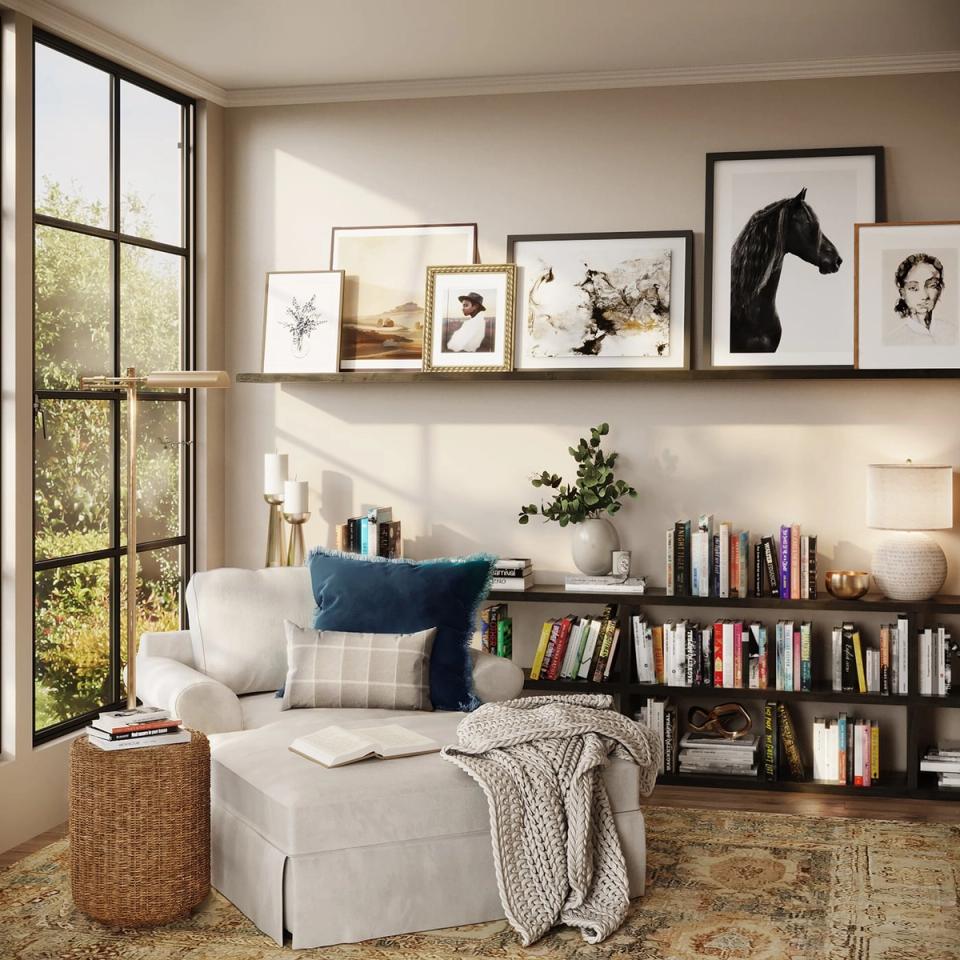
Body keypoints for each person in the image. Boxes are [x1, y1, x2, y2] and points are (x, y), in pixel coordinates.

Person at [887, 253, 953, 346]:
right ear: (902, 293)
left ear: (940, 289)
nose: (924, 296)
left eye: (931, 285)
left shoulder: (953, 332)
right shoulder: (893, 341)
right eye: (913, 288)